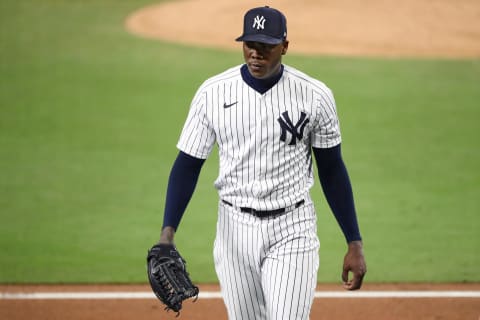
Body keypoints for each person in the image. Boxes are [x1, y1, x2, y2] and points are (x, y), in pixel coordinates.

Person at [157, 6, 367, 319]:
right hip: (233, 230)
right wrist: (167, 235)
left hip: (292, 229)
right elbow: (187, 165)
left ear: (284, 46)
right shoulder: (212, 93)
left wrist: (354, 241)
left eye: (266, 46)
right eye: (250, 45)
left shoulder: (315, 96)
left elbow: (332, 169)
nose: (256, 54)